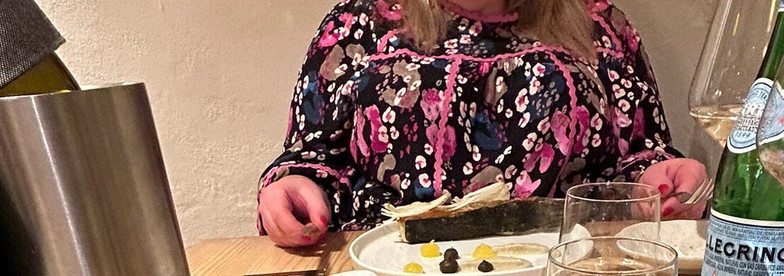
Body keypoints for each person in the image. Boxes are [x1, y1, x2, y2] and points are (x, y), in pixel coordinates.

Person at [258, 0, 708, 247]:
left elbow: (638, 156)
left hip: (563, 274)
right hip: (393, 274)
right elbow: (315, 158)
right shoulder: (356, 27)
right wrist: (296, 187)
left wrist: (659, 180)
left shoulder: (599, 26)